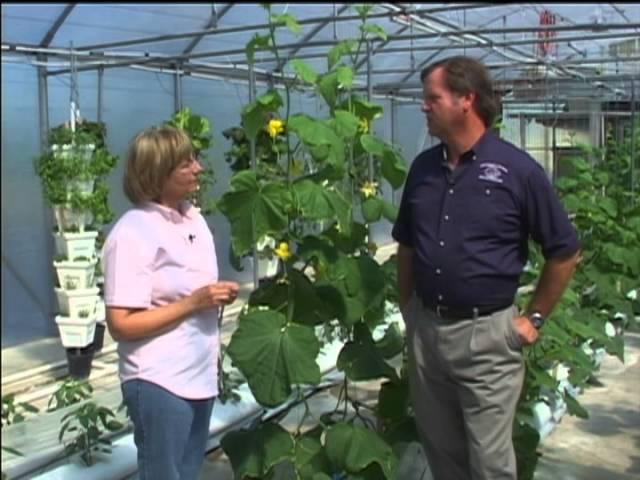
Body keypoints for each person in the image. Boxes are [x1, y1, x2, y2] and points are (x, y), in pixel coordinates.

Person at [393, 56, 580, 480]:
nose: (424, 106)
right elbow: (406, 244)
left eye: (432, 98)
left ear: (465, 100)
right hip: (428, 333)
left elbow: (565, 251)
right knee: (443, 455)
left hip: (487, 338)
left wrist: (534, 318)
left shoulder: (518, 171)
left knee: (489, 463)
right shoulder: (423, 169)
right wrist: (409, 308)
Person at [102, 126, 240, 480]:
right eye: (186, 164)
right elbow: (121, 325)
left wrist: (214, 295)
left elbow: (190, 288)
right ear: (157, 173)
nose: (199, 168)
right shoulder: (133, 231)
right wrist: (193, 303)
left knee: (186, 473)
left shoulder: (192, 219)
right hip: (159, 380)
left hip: (199, 375)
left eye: (195, 159)